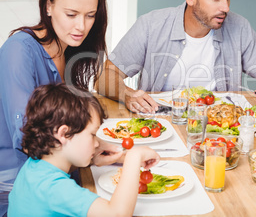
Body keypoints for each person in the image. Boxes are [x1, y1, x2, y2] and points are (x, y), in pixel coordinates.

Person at [0, 0, 122, 215]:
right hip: (17, 184)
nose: (82, 26)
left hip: (57, 171)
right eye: (71, 14)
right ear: (48, 6)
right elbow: (27, 137)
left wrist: (95, 148)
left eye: (90, 15)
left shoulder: (68, 49)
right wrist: (87, 154)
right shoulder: (19, 50)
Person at [97, 0, 256, 113]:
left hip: (219, 126)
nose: (226, 8)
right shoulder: (151, 25)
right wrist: (127, 94)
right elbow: (105, 78)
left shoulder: (239, 27)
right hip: (161, 121)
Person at [7, 83, 160, 216]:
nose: (96, 143)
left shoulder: (35, 166)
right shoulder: (54, 189)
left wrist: (93, 159)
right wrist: (134, 157)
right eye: (92, 135)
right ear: (64, 134)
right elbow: (117, 213)